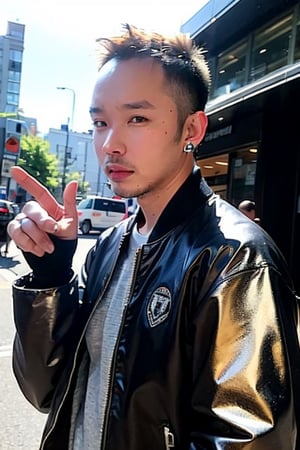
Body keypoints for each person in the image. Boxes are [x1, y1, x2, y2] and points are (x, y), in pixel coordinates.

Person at [8, 24, 299, 450]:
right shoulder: (109, 247)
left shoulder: (235, 259)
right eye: (100, 122)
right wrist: (50, 274)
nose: (110, 144)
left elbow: (249, 440)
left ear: (192, 130)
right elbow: (46, 391)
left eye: (137, 118)